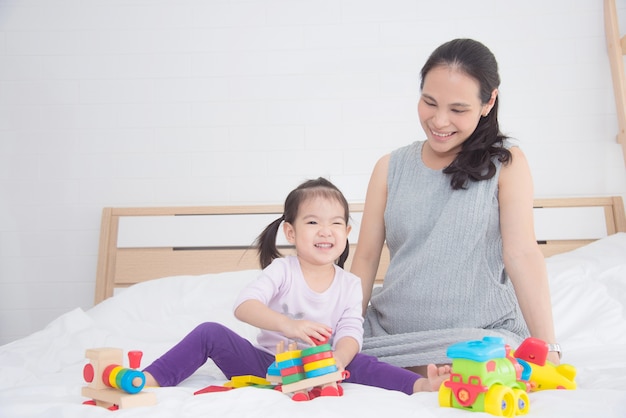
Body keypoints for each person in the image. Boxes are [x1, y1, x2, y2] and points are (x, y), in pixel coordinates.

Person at [350, 38, 561, 376]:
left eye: (458, 109)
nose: (439, 121)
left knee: (493, 357)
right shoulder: (389, 167)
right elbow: (364, 258)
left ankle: (432, 369)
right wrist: (345, 332)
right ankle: (419, 368)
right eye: (429, 102)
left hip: (477, 335)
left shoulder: (507, 164)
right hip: (391, 332)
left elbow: (522, 253)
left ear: (488, 102)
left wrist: (548, 347)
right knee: (320, 348)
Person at [142, 177, 449, 399]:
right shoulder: (283, 271)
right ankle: (148, 379)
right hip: (269, 365)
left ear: (347, 232)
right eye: (313, 223)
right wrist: (288, 325)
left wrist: (337, 362)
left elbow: (351, 332)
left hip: (321, 367)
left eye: (336, 223)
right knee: (209, 332)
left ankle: (421, 385)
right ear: (290, 231)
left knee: (362, 361)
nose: (325, 231)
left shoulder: (350, 284)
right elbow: (245, 305)